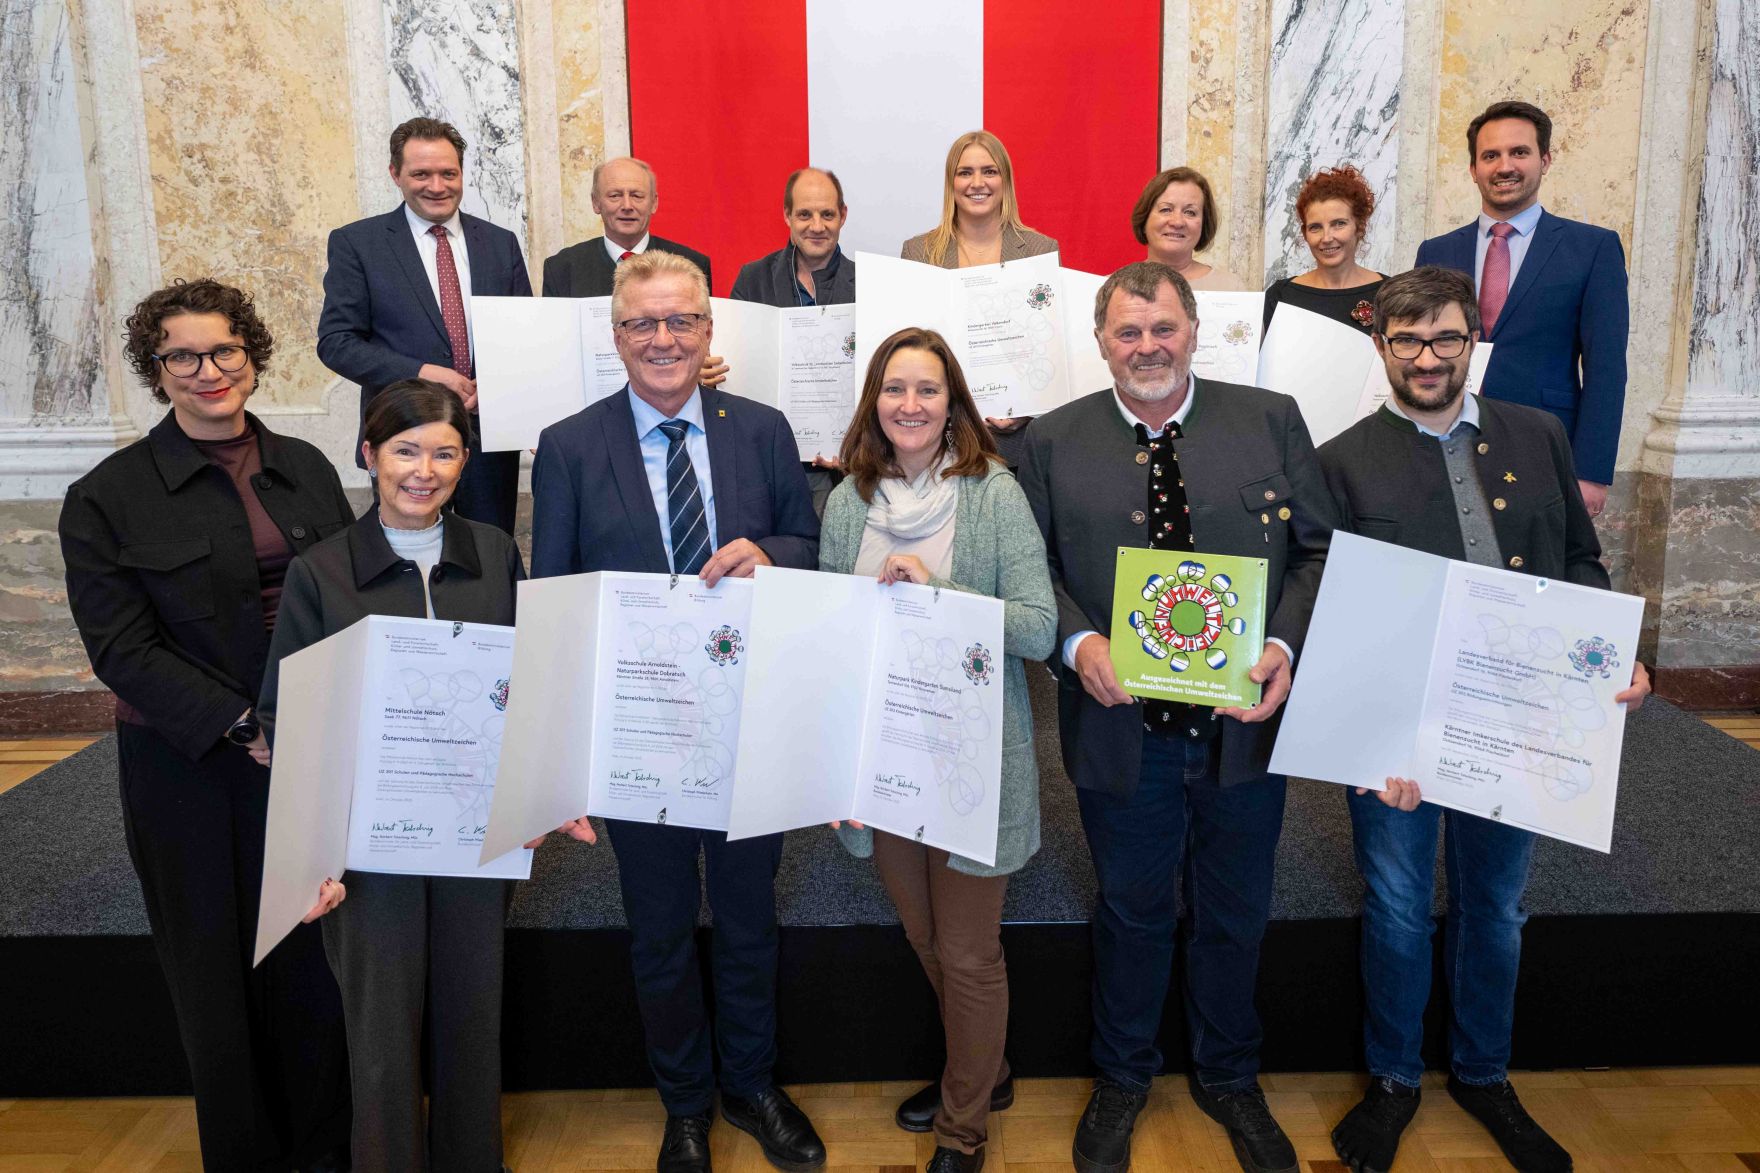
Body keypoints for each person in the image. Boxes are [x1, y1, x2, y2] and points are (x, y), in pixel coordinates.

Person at [1318, 267, 1651, 1173]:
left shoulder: (1540, 434)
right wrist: (1355, 733)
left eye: (1447, 340)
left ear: (1473, 342)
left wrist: (1613, 651)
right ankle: (1392, 1079)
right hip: (1400, 728)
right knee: (1394, 904)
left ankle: (1483, 1074)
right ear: (1382, 347)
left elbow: (1582, 565)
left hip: (1523, 720)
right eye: (1408, 342)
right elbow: (1328, 608)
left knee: (1495, 906)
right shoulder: (1339, 460)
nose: (1428, 359)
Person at [1018, 261, 1334, 1173]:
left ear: (1196, 330)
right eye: (1128, 332)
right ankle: (1123, 1076)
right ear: (1101, 341)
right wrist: (1078, 645)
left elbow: (1316, 551)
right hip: (1121, 727)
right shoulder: (1050, 440)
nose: (1147, 347)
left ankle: (1230, 1076)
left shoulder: (1268, 421)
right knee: (1132, 908)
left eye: (1163, 328)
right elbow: (1031, 568)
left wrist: (1283, 642)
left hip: (1244, 722)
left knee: (1237, 907)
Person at [530, 249, 824, 1173]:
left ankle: (752, 1083)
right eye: (642, 324)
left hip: (748, 718)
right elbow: (557, 596)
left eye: (680, 321)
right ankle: (685, 1102)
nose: (663, 339)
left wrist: (768, 555)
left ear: (708, 330)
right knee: (658, 925)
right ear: (615, 337)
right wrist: (562, 752)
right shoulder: (571, 443)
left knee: (747, 916)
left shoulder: (765, 429)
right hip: (634, 732)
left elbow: (810, 543)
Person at [59, 279, 353, 1171]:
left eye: (224, 349)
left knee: (314, 965)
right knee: (216, 978)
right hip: (189, 768)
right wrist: (240, 722)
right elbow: (121, 648)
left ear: (252, 354)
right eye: (181, 356)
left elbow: (347, 598)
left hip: (308, 753)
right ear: (158, 371)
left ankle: (328, 1152)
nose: (208, 371)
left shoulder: (305, 464)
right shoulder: (106, 496)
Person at [258, 379, 532, 1173]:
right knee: (379, 1036)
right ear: (369, 454)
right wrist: (316, 852)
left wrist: (541, 790)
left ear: (465, 461)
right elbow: (287, 713)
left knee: (472, 1019)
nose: (425, 469)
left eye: (445, 451)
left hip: (476, 835)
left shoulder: (494, 553)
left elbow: (526, 683)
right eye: (406, 449)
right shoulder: (323, 571)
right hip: (366, 847)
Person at [822, 327, 1056, 1173]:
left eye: (927, 389)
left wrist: (941, 588)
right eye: (894, 389)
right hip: (884, 762)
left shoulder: (993, 494)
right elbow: (832, 639)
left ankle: (965, 1129)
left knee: (967, 952)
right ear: (873, 403)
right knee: (924, 938)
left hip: (971, 767)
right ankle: (981, 1069)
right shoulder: (848, 502)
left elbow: (1037, 627)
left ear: (952, 402)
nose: (909, 405)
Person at [317, 116, 532, 535]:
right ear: (395, 174)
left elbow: (522, 336)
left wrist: (501, 385)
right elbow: (337, 342)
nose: (437, 186)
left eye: (448, 173)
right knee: (406, 564)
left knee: (487, 560)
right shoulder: (359, 244)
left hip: (486, 442)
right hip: (403, 437)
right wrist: (421, 374)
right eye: (421, 174)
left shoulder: (499, 242)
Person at [1416, 100, 1629, 518]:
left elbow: (1606, 369)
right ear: (1473, 169)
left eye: (1519, 152)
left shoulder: (1593, 249)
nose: (1504, 166)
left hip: (1545, 447)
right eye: (1490, 155)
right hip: (1445, 444)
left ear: (1545, 160)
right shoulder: (1436, 252)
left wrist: (1591, 473)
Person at [902, 130, 1059, 467]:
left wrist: (1027, 406)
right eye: (965, 172)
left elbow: (1048, 346)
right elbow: (911, 351)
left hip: (1017, 441)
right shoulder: (919, 252)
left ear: (1005, 180)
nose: (977, 183)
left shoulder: (1040, 251)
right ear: (951, 183)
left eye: (989, 171)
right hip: (941, 439)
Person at [730, 166, 856, 513]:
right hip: (768, 462)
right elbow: (736, 365)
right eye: (804, 214)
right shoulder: (752, 279)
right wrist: (716, 369)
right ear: (787, 215)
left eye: (827, 214)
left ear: (842, 216)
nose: (817, 226)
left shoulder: (868, 284)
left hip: (845, 470)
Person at [542, 156, 714, 296]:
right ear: (596, 203)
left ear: (654, 203)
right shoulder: (562, 269)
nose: (627, 206)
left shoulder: (690, 265)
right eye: (615, 196)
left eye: (637, 196)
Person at [1262, 165, 1385, 335]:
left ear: (1360, 227)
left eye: (1339, 224)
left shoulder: (1390, 294)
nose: (1326, 238)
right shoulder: (1281, 296)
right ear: (1305, 234)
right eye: (1315, 227)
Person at [1131, 167, 1248, 291]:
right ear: (1144, 219)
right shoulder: (1114, 287)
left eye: (1190, 212)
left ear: (1204, 223)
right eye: (1166, 210)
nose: (1177, 222)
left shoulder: (1230, 289)